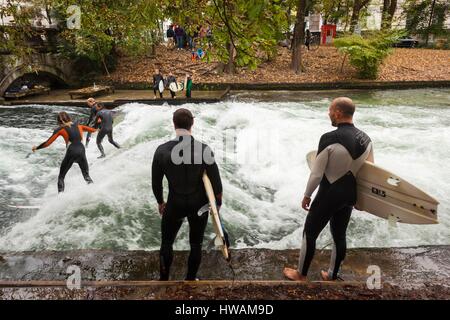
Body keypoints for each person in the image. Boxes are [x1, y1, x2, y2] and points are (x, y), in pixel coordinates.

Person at [283, 97, 374, 282]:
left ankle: (300, 274)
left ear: (338, 113)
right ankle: (332, 275)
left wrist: (307, 195)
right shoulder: (366, 139)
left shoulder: (329, 138)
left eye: (330, 110)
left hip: (329, 193)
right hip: (349, 194)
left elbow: (316, 174)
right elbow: (370, 172)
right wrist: (362, 200)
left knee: (310, 232)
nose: (329, 113)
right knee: (339, 234)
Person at [152, 108, 223, 281]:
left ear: (174, 124)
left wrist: (161, 202)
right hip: (198, 204)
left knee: (167, 243)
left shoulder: (162, 151)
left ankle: (164, 280)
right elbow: (217, 184)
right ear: (192, 124)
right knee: (196, 244)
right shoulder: (204, 150)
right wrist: (216, 205)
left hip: (175, 203)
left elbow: (156, 183)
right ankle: (191, 279)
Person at [32, 112, 96, 193]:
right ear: (69, 118)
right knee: (86, 175)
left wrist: (36, 148)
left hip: (72, 152)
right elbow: (93, 130)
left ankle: (60, 198)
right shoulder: (79, 126)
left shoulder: (60, 129)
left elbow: (47, 143)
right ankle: (94, 191)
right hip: (81, 151)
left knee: (61, 177)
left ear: (58, 122)